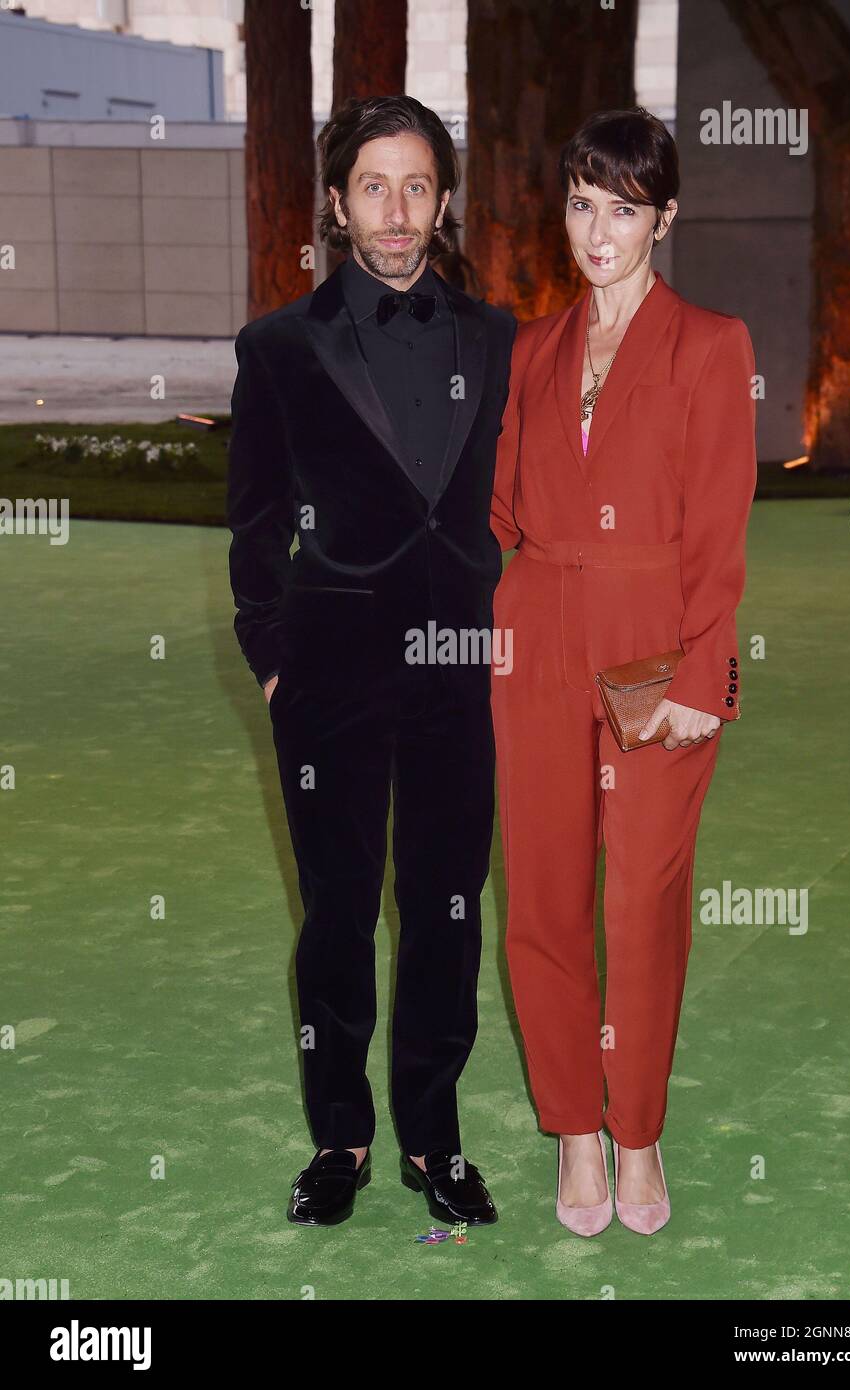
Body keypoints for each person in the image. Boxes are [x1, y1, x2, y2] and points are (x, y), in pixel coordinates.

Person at [226, 95, 516, 1228]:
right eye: (373, 186)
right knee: (338, 911)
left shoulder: (496, 340)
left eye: (417, 186)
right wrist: (269, 658)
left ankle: (434, 1140)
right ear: (338, 204)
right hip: (330, 668)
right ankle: (340, 1136)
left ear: (444, 201)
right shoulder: (278, 347)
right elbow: (252, 522)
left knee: (445, 905)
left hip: (457, 667)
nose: (397, 212)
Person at [490, 107, 757, 1237]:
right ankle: (575, 1133)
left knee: (642, 901)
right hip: (534, 638)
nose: (599, 232)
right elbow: (496, 511)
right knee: (545, 899)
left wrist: (704, 672)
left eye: (625, 209)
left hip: (656, 649)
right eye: (583, 205)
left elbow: (720, 529)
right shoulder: (531, 348)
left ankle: (637, 1130)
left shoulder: (710, 344)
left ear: (665, 219)